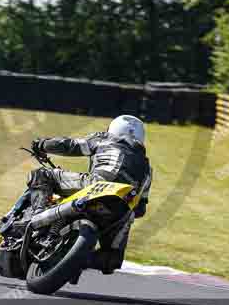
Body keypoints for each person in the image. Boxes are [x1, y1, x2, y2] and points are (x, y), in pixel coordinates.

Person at [26, 115, 151, 273]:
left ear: (114, 129)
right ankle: (78, 260)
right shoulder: (147, 168)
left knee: (42, 175)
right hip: (121, 208)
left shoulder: (106, 139)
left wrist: (42, 144)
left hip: (96, 185)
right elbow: (140, 209)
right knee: (111, 259)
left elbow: (71, 146)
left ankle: (39, 215)